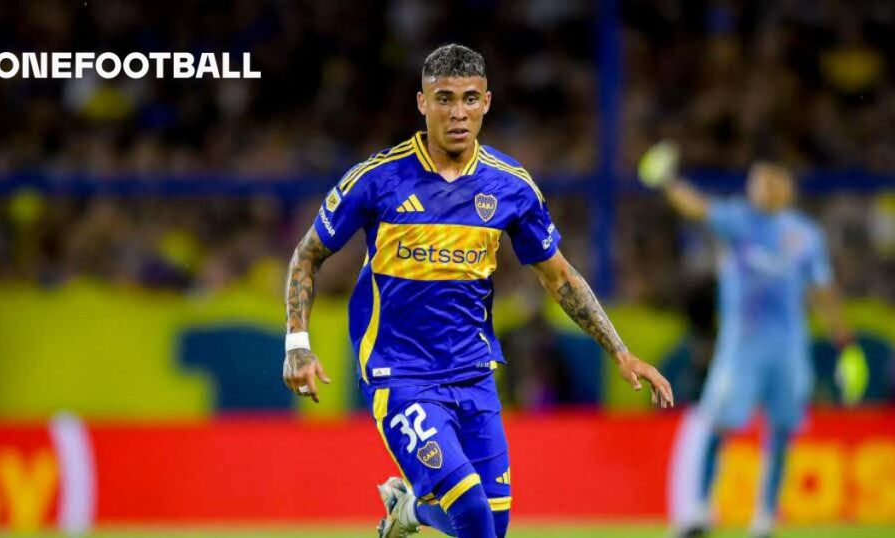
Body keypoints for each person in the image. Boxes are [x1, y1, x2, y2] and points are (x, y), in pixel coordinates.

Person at [281, 44, 674, 538]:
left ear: (486, 102)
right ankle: (415, 508)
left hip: (473, 373)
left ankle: (408, 511)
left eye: (469, 98)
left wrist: (621, 351)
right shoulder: (377, 179)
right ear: (422, 103)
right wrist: (297, 344)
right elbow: (307, 254)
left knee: (494, 521)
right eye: (444, 99)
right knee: (469, 509)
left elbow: (559, 277)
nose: (458, 112)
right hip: (400, 373)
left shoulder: (510, 187)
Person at [638, 143, 851, 538]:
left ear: (786, 187)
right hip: (741, 347)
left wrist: (841, 333)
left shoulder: (805, 234)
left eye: (769, 181)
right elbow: (696, 207)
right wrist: (668, 182)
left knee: (782, 430)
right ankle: (699, 510)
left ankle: (765, 516)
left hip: (788, 348)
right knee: (719, 423)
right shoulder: (738, 220)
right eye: (757, 181)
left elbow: (822, 287)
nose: (761, 189)